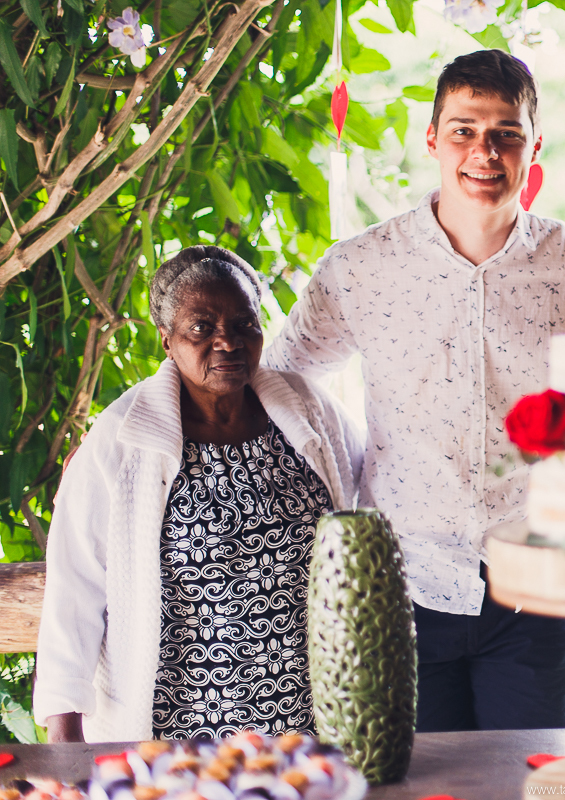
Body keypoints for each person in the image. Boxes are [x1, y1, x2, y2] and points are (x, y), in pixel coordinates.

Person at [262, 49, 565, 732]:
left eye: (506, 133)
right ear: (432, 138)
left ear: (534, 145)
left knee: (528, 784)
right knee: (418, 785)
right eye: (464, 130)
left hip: (537, 582)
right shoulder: (362, 265)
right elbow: (275, 378)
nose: (484, 151)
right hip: (403, 583)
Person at [33, 246, 363, 743]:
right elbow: (73, 590)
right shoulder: (122, 439)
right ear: (167, 341)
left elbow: (370, 497)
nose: (226, 342)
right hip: (179, 731)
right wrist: (65, 743)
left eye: (243, 324)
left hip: (311, 722)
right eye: (201, 327)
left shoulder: (309, 410)